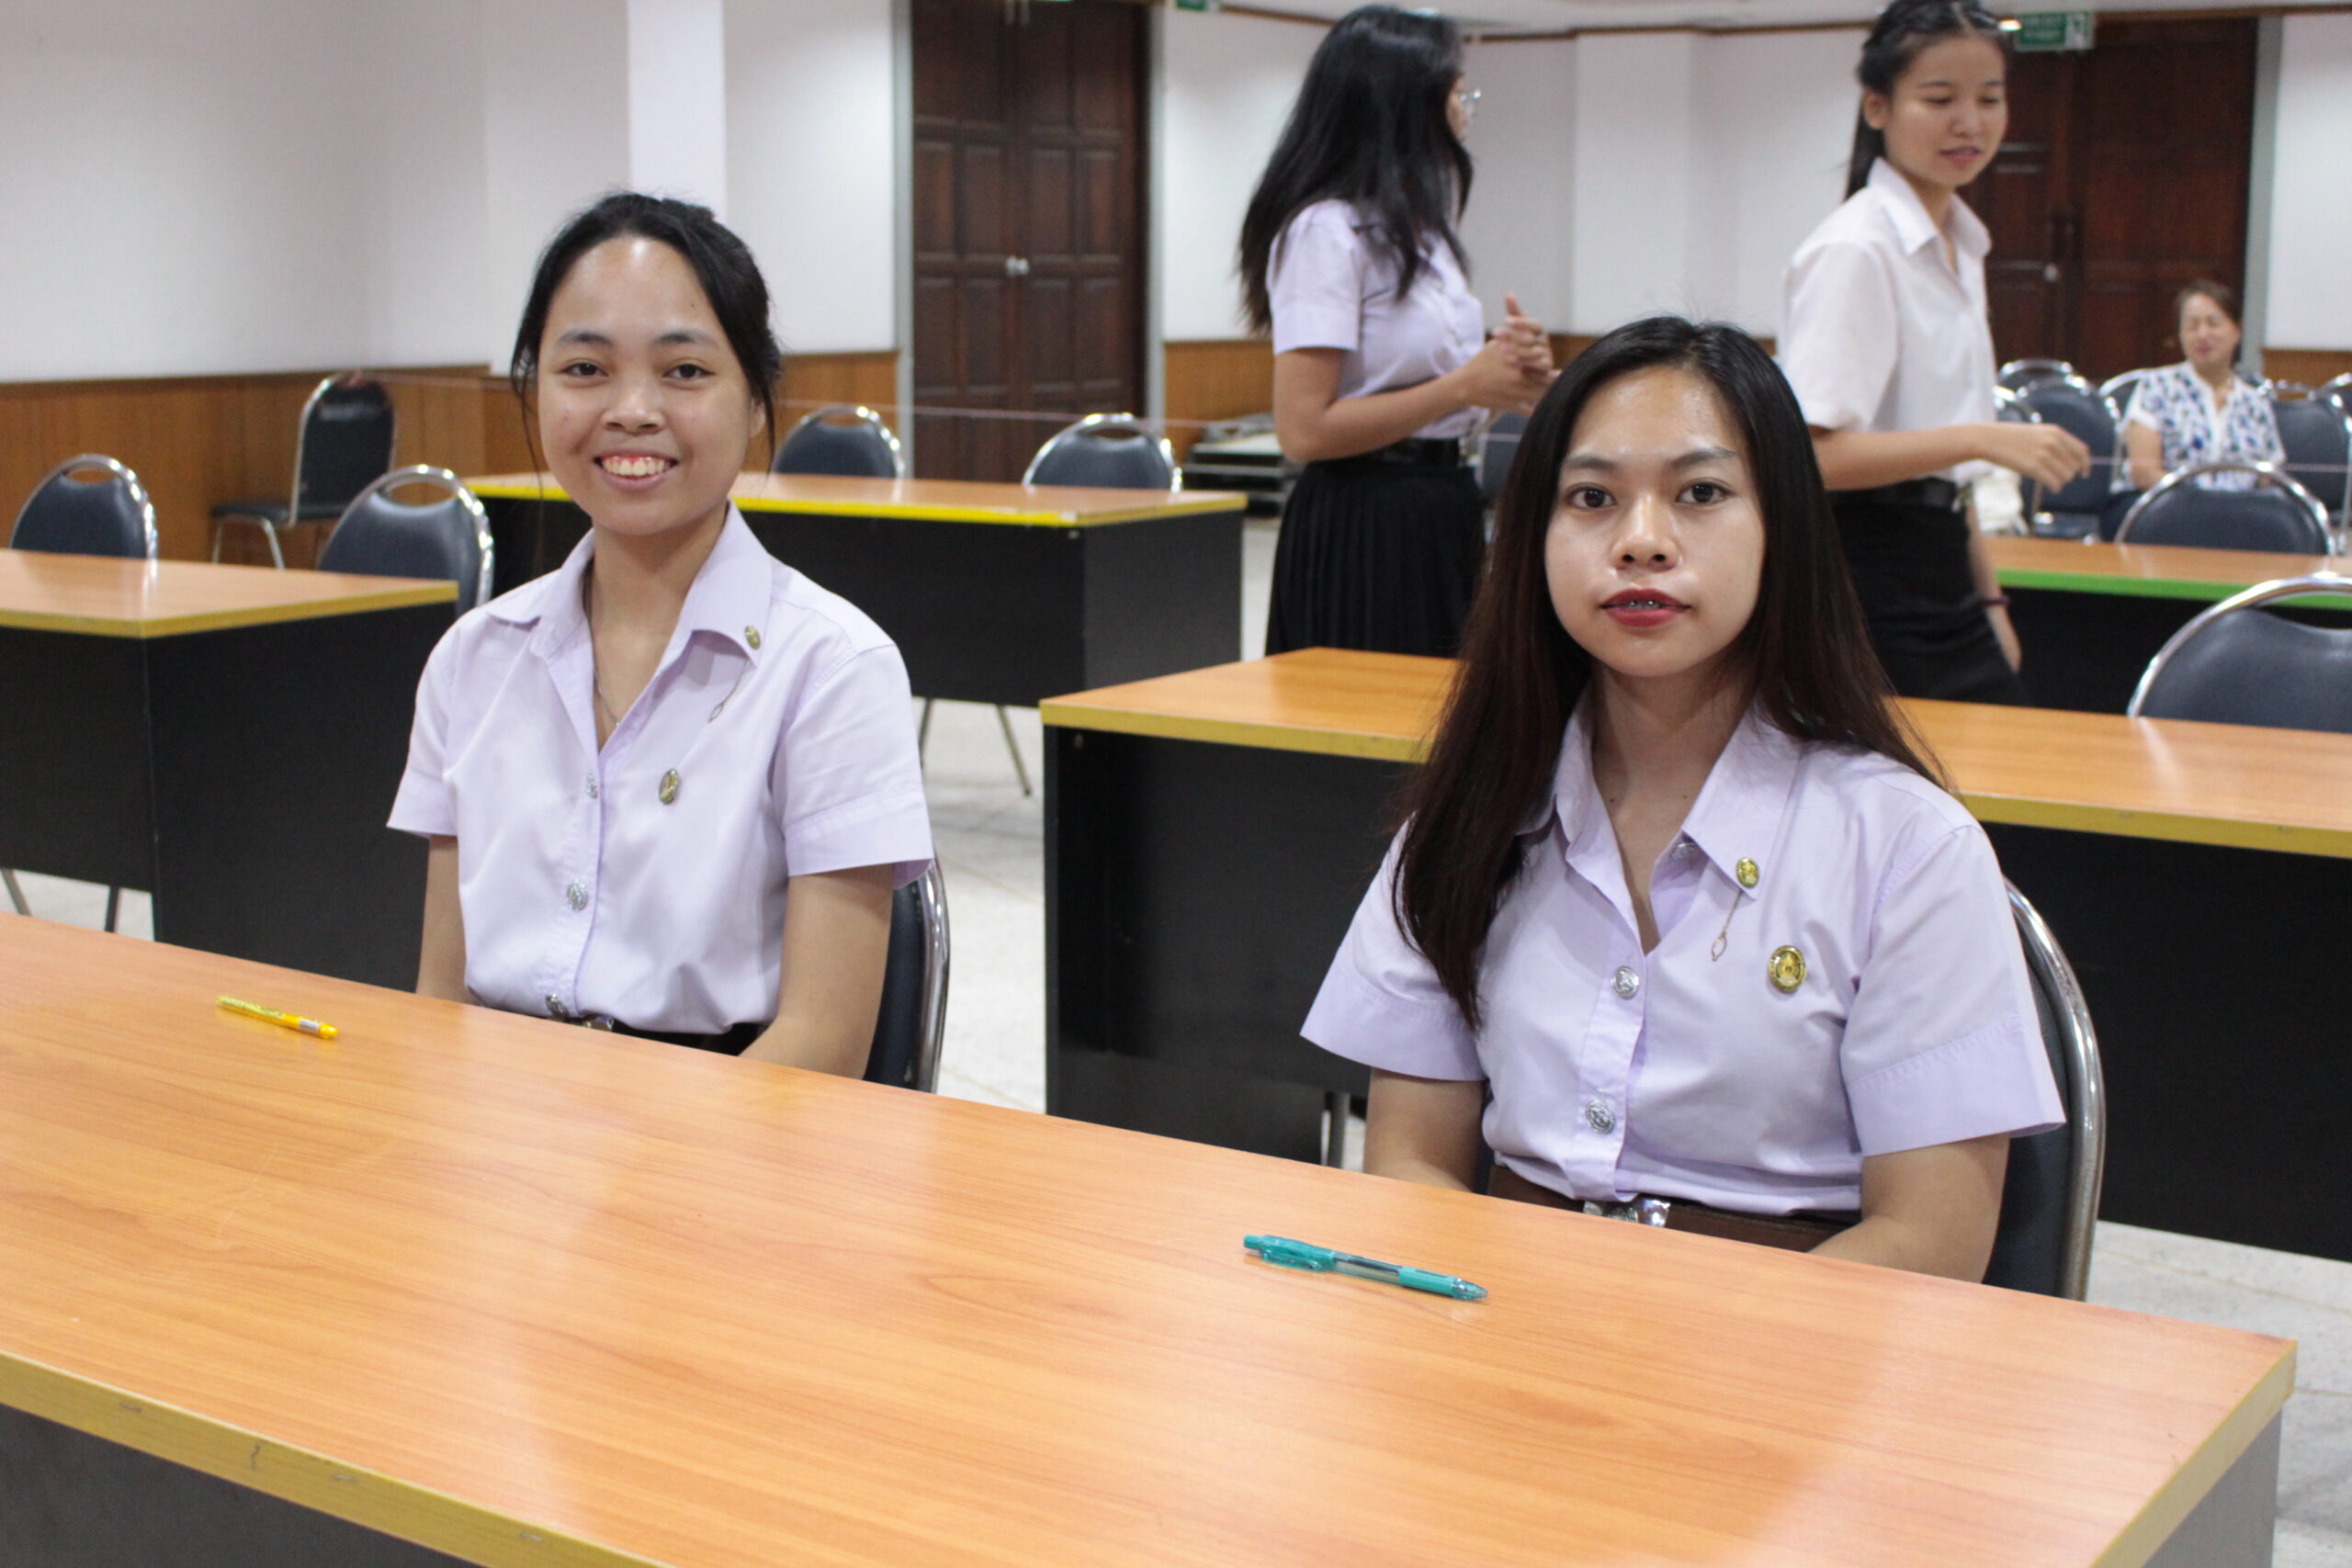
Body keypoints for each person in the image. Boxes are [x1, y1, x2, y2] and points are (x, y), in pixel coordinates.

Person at [1302, 317, 2062, 1281]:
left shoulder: (1908, 846)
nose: (1641, 542)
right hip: (1505, 1319)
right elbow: (1410, 1165)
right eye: (1591, 498)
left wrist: (1660, 1348)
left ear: (1782, 527)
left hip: (1802, 1340)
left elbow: (1932, 1243)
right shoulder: (1465, 820)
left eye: (1700, 493)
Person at [391, 193, 933, 1070]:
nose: (633, 410)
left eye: (684, 371)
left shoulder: (834, 669)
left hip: (728, 1129)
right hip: (495, 1125)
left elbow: (824, 1047)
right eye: (585, 369)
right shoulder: (471, 659)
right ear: (534, 389)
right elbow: (441, 1002)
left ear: (755, 400)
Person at [1780, 0, 2090, 705]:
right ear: (1877, 106)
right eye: (1940, 99)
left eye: (1990, 98)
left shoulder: (1959, 243)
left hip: (1941, 562)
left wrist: (1990, 600)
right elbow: (1810, 458)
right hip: (1863, 577)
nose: (1969, 123)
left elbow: (1950, 480)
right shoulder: (1856, 248)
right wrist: (1982, 437)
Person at [1239, 4, 1554, 659]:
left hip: (1442, 501)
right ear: (1405, 103)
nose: (1464, 110)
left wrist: (1510, 374)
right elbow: (1304, 430)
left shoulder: (1423, 230)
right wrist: (1463, 386)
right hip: (1365, 517)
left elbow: (1443, 390)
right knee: (1373, 711)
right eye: (1455, 91)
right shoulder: (1325, 232)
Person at [2119, 280, 2282, 492]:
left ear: (2237, 331)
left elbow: (2269, 479)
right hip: (2172, 505)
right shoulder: (2155, 387)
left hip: (2241, 508)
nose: (2203, 334)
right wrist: (2202, 503)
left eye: (2213, 323)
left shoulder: (2255, 402)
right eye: (2192, 326)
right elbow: (2143, 473)